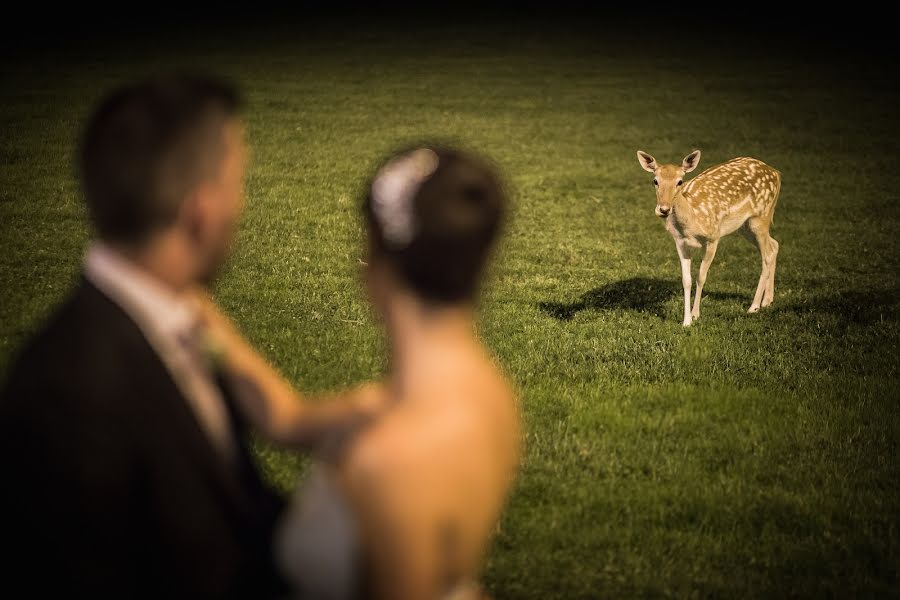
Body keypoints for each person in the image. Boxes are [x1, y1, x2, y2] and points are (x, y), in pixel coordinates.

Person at [0, 74, 364, 598]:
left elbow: (267, 436)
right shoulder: (67, 395)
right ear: (201, 211)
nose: (241, 206)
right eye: (237, 183)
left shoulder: (175, 310)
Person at [196, 145, 522, 600]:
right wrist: (202, 315)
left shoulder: (389, 459)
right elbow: (284, 419)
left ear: (374, 262)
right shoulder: (487, 396)